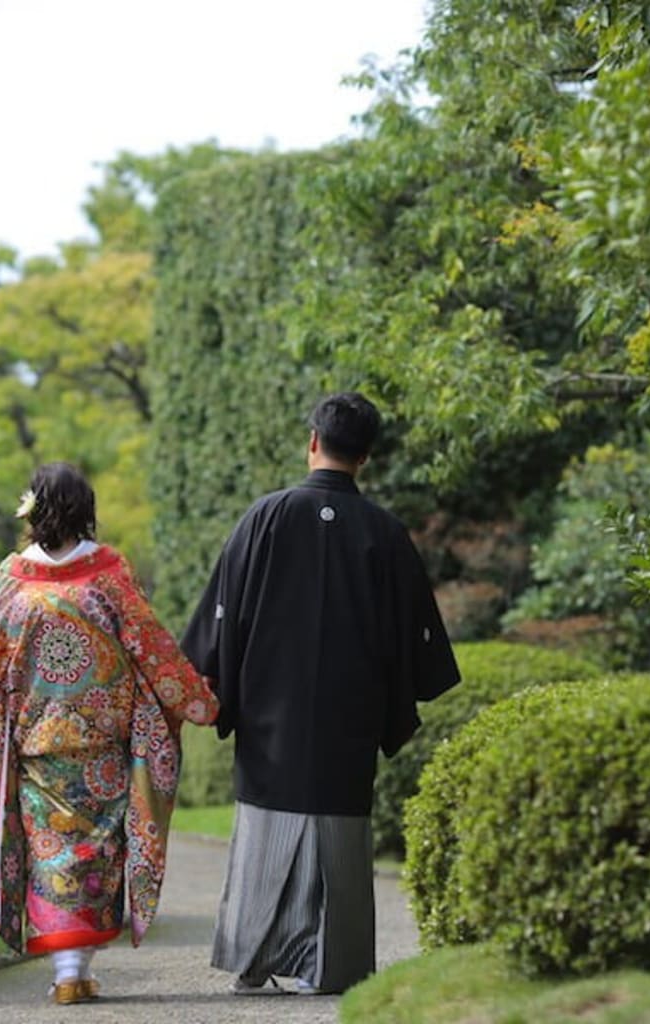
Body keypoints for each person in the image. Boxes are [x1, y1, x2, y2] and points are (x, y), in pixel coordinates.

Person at [182, 392, 460, 996]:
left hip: (268, 714)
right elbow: (416, 635)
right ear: (367, 457)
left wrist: (214, 680)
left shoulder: (265, 517)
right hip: (350, 714)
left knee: (264, 830)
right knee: (339, 836)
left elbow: (223, 616)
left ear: (313, 441)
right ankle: (333, 966)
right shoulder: (384, 532)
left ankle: (252, 961)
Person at [0, 462, 218, 1006]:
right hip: (103, 741)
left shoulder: (14, 575)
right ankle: (76, 970)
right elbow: (148, 641)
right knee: (96, 851)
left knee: (49, 851)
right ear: (86, 509)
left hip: (36, 741)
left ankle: (64, 971)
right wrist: (194, 698)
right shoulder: (107, 572)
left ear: (33, 509)